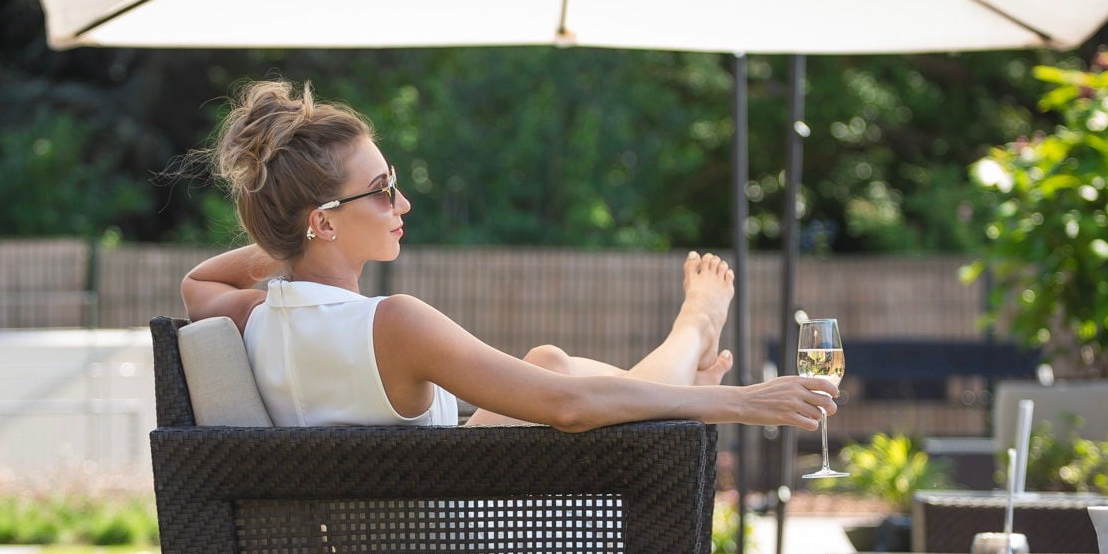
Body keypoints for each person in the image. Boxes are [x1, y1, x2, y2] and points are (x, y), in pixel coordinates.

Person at [179, 80, 839, 433]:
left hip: (389, 528)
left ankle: (678, 371)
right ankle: (691, 331)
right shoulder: (392, 323)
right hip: (455, 550)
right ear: (325, 221)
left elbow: (196, 279)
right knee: (569, 388)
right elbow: (569, 409)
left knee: (548, 362)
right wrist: (747, 401)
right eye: (382, 192)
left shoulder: (251, 317)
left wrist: (294, 238)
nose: (402, 204)